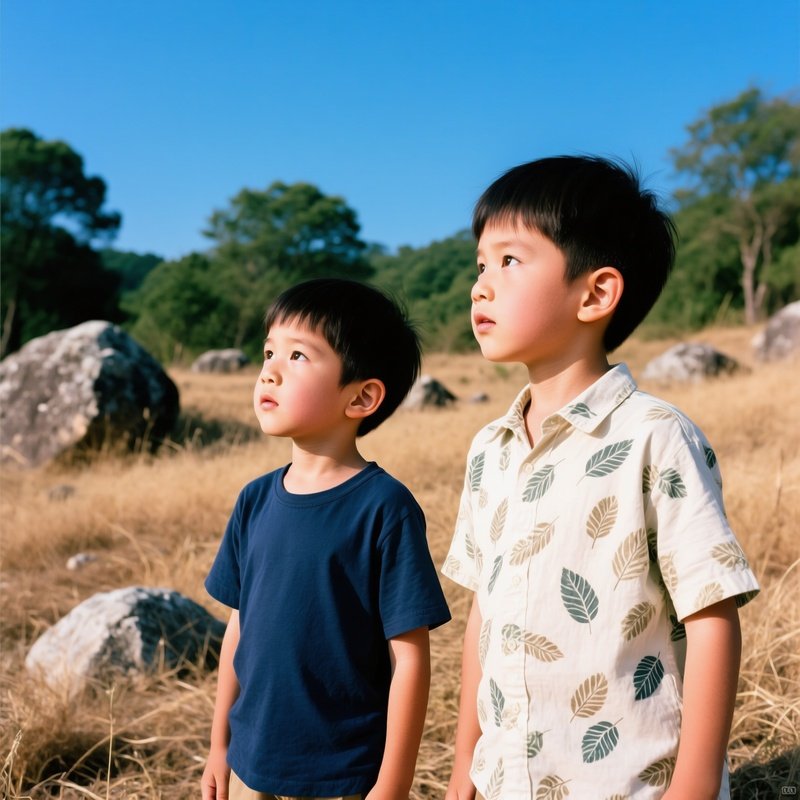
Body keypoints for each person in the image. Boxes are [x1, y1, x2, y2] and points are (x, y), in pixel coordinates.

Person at [442, 156, 760, 799]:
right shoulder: (489, 449)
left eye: (509, 260)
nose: (480, 285)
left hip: (628, 782)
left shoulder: (653, 435)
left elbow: (712, 613)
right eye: (480, 264)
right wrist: (463, 769)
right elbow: (485, 610)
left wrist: (694, 787)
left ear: (596, 293)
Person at [202, 278, 451, 800]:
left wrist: (392, 785)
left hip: (341, 775)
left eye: (297, 355)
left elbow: (409, 657)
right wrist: (219, 746)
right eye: (268, 351)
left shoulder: (384, 508)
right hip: (250, 763)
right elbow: (238, 627)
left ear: (361, 396)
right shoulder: (255, 500)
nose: (269, 370)